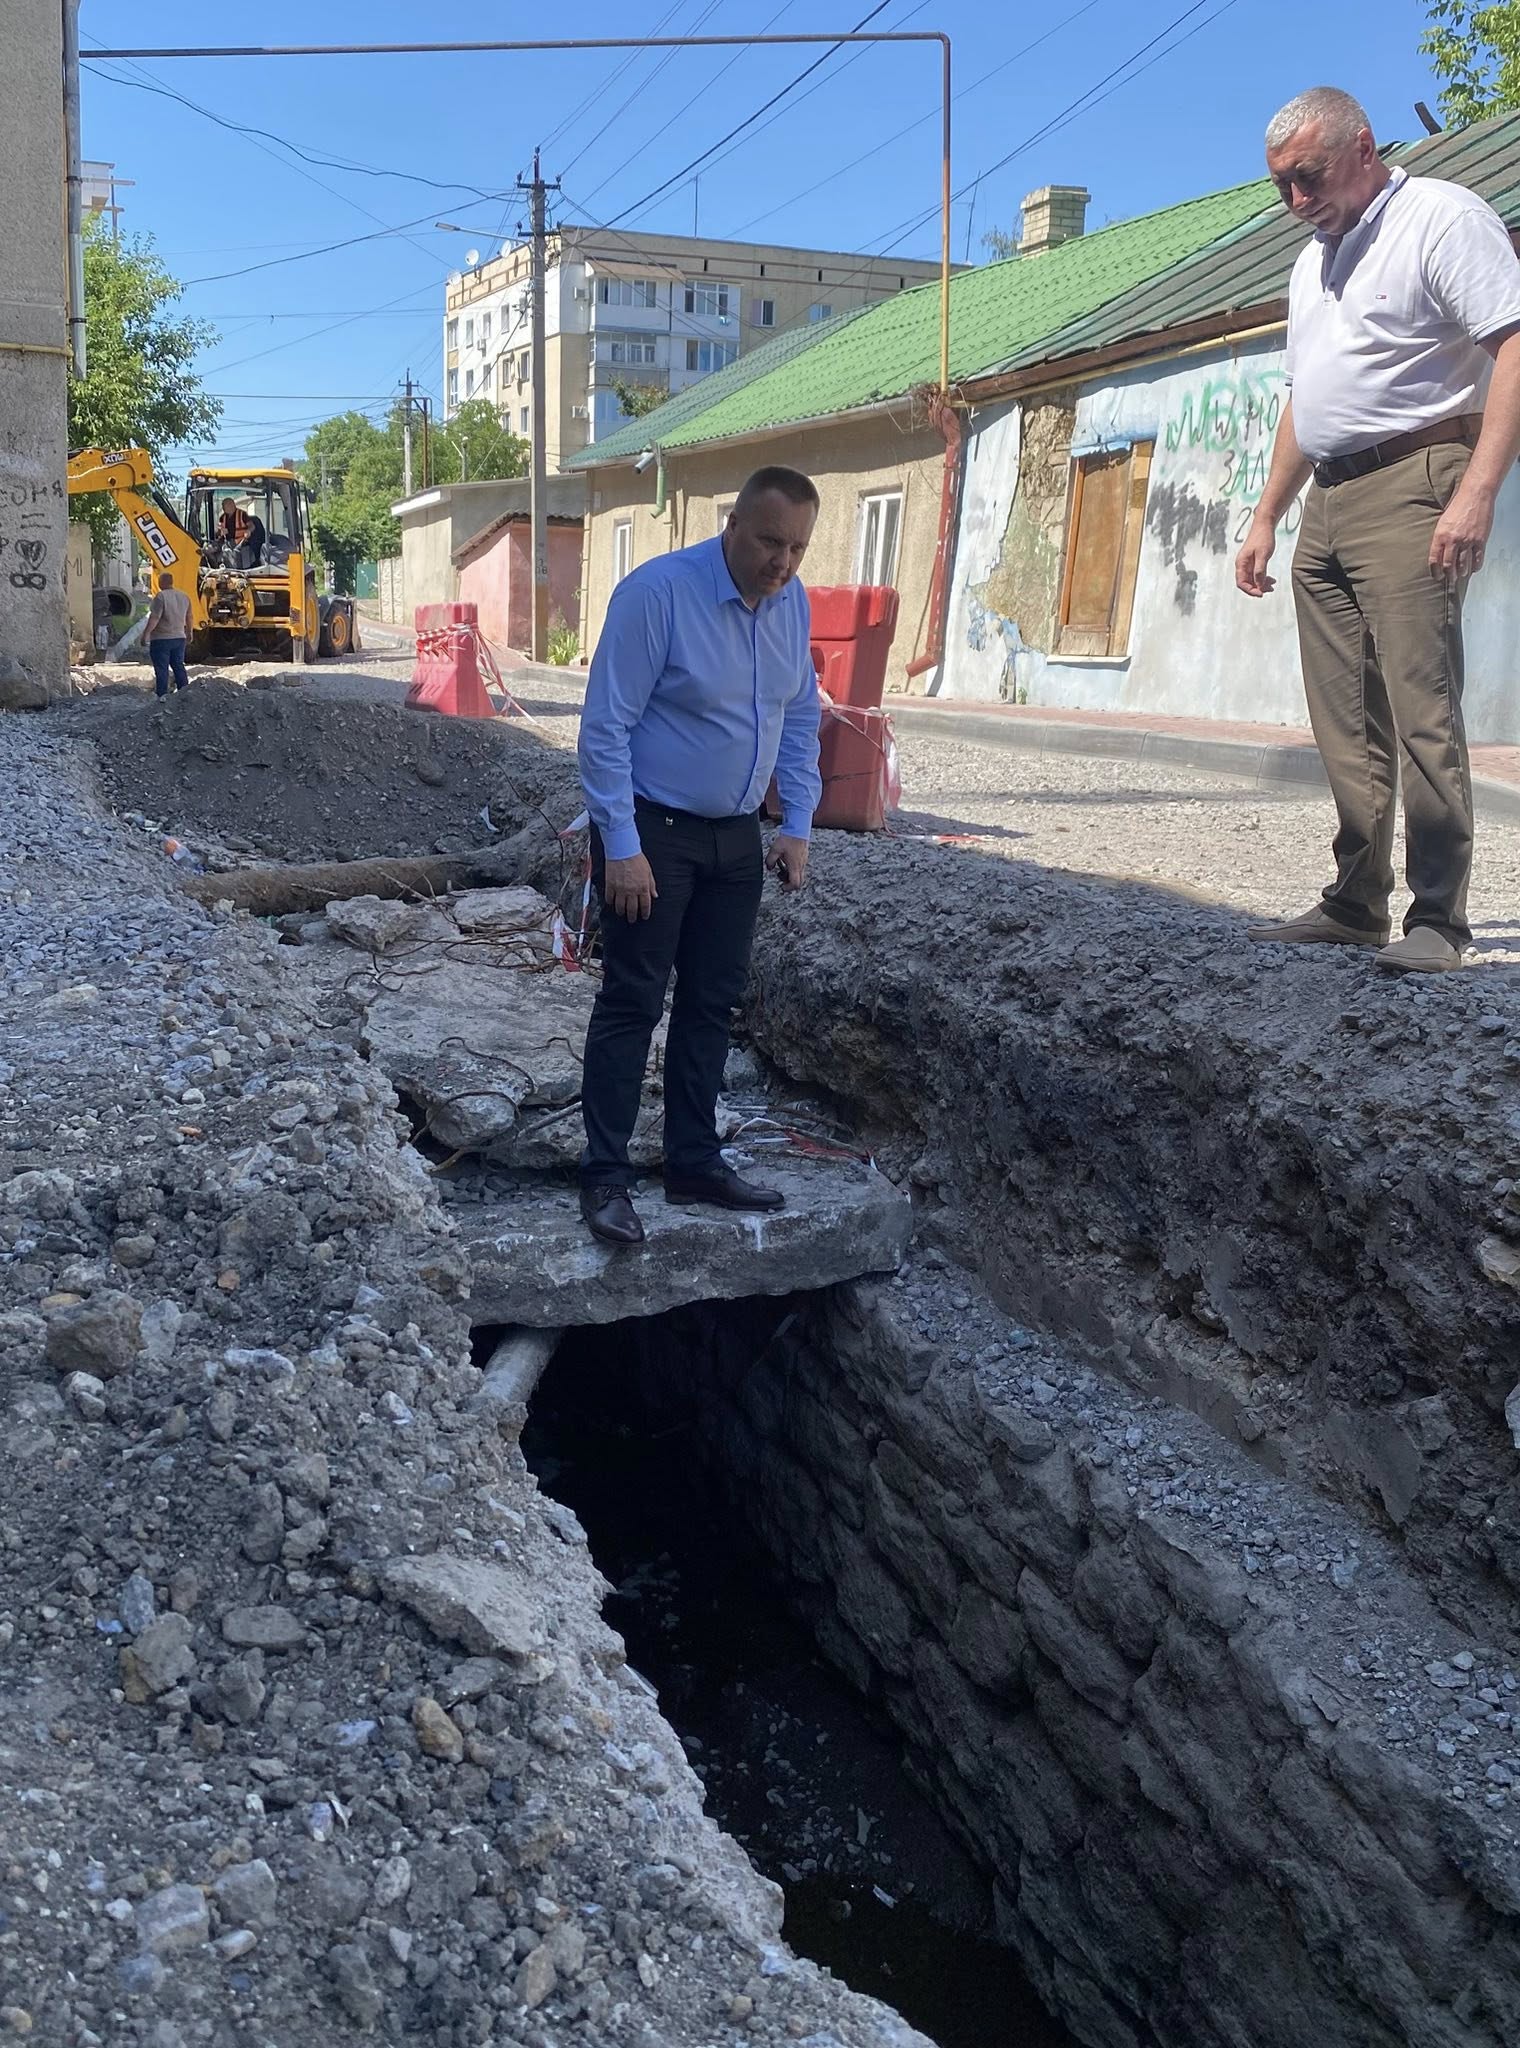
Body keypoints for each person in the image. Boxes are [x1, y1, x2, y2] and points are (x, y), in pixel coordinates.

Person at [1236, 86, 1520, 974]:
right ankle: (1356, 903)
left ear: (1363, 147)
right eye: (1281, 185)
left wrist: (1478, 491)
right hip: (1329, 495)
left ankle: (1439, 920)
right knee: (1345, 714)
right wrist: (1267, 514)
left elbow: (1513, 347)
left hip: (1416, 479)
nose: (1297, 199)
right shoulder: (1310, 262)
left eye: (1309, 176)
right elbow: (1305, 396)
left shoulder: (1441, 219)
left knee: (1419, 706)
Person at [575, 465, 824, 1246]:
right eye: (770, 541)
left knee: (713, 1004)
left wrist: (797, 821)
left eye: (798, 548)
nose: (782, 561)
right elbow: (605, 727)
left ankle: (693, 1161)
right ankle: (605, 1177)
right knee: (633, 1001)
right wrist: (622, 847)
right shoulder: (658, 595)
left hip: (736, 836)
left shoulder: (791, 603)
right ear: (732, 524)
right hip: (652, 831)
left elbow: (800, 713)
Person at [144, 570, 192, 699]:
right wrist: (189, 632)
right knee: (178, 666)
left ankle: (162, 696)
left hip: (161, 639)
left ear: (161, 582)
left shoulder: (161, 597)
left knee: (162, 669)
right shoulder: (184, 596)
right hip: (179, 638)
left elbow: (154, 618)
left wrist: (146, 634)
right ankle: (185, 693)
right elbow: (189, 617)